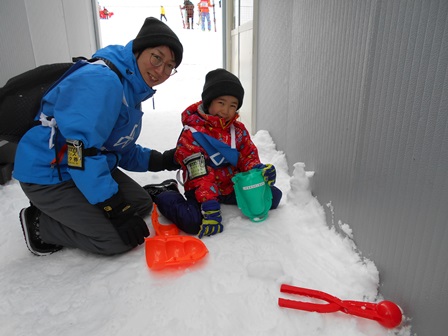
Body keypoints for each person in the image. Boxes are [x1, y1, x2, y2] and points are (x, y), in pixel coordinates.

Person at [14, 17, 184, 256]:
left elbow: (119, 148)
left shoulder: (131, 90)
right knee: (116, 239)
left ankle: (83, 206)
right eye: (157, 57)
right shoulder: (102, 81)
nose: (161, 71)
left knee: (141, 204)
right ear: (138, 51)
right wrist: (113, 206)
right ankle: (41, 224)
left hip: (80, 167)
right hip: (50, 173)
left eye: (170, 66)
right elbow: (78, 151)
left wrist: (163, 160)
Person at [144, 69, 282, 238]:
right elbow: (200, 175)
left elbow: (247, 157)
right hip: (200, 187)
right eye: (221, 103)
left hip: (230, 185)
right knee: (193, 222)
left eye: (233, 105)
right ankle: (165, 193)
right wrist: (209, 206)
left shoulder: (237, 131)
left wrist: (259, 171)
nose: (226, 110)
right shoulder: (192, 134)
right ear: (209, 102)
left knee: (272, 197)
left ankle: (221, 198)